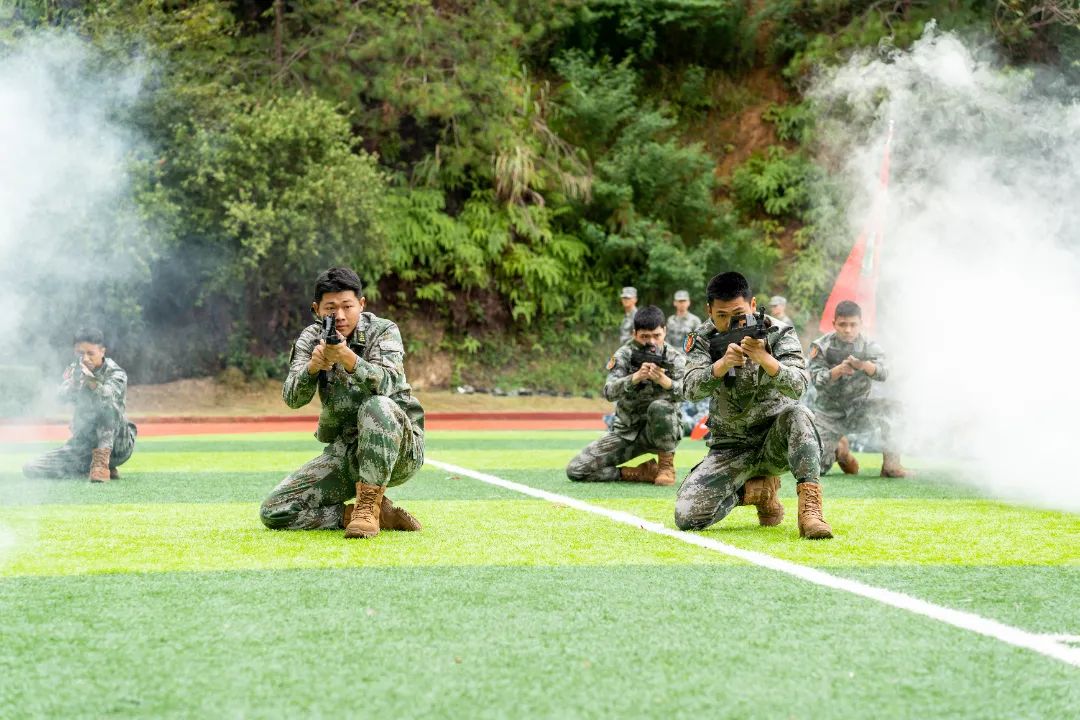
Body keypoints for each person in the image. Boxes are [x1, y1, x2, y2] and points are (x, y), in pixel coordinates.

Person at [259, 267, 425, 539]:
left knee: (377, 405)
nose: (340, 315)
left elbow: (388, 383)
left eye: (347, 306)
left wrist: (347, 358)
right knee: (274, 510)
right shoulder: (310, 338)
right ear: (316, 309)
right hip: (348, 453)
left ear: (361, 304)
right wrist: (312, 368)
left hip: (398, 450)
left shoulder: (383, 331)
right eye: (330, 308)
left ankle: (367, 508)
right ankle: (361, 514)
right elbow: (292, 399)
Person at [675, 272, 833, 539]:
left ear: (753, 305)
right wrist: (721, 365)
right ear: (709, 310)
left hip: (775, 442)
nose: (730, 322)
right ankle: (760, 492)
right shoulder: (702, 338)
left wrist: (764, 358)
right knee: (687, 516)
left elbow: (799, 386)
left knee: (799, 413)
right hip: (730, 446)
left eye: (738, 314)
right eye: (721, 315)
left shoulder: (779, 332)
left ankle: (811, 512)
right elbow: (689, 390)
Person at [567, 305, 686, 485]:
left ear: (665, 331)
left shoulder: (675, 358)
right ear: (634, 334)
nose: (651, 342)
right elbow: (609, 392)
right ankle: (638, 472)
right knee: (576, 470)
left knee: (660, 406)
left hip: (661, 434)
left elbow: (689, 394)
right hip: (626, 432)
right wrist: (635, 377)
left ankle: (665, 467)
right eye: (644, 336)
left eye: (657, 335)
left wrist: (664, 380)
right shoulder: (624, 354)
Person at [808, 300, 910, 478]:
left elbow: (885, 373)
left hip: (860, 410)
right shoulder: (821, 346)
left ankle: (891, 466)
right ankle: (841, 450)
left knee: (894, 409)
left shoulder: (870, 346)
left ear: (861, 324)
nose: (848, 330)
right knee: (815, 469)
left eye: (853, 324)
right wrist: (838, 371)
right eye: (843, 324)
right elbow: (816, 380)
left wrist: (863, 365)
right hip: (828, 415)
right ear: (834, 324)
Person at [23, 328, 137, 482]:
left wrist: (91, 382)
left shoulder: (116, 373)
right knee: (32, 467)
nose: (85, 358)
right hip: (85, 445)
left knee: (105, 405)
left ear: (102, 351)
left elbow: (109, 400)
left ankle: (102, 463)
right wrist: (75, 384)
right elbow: (60, 398)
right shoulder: (74, 370)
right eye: (80, 353)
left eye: (90, 353)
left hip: (118, 446)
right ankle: (90, 467)